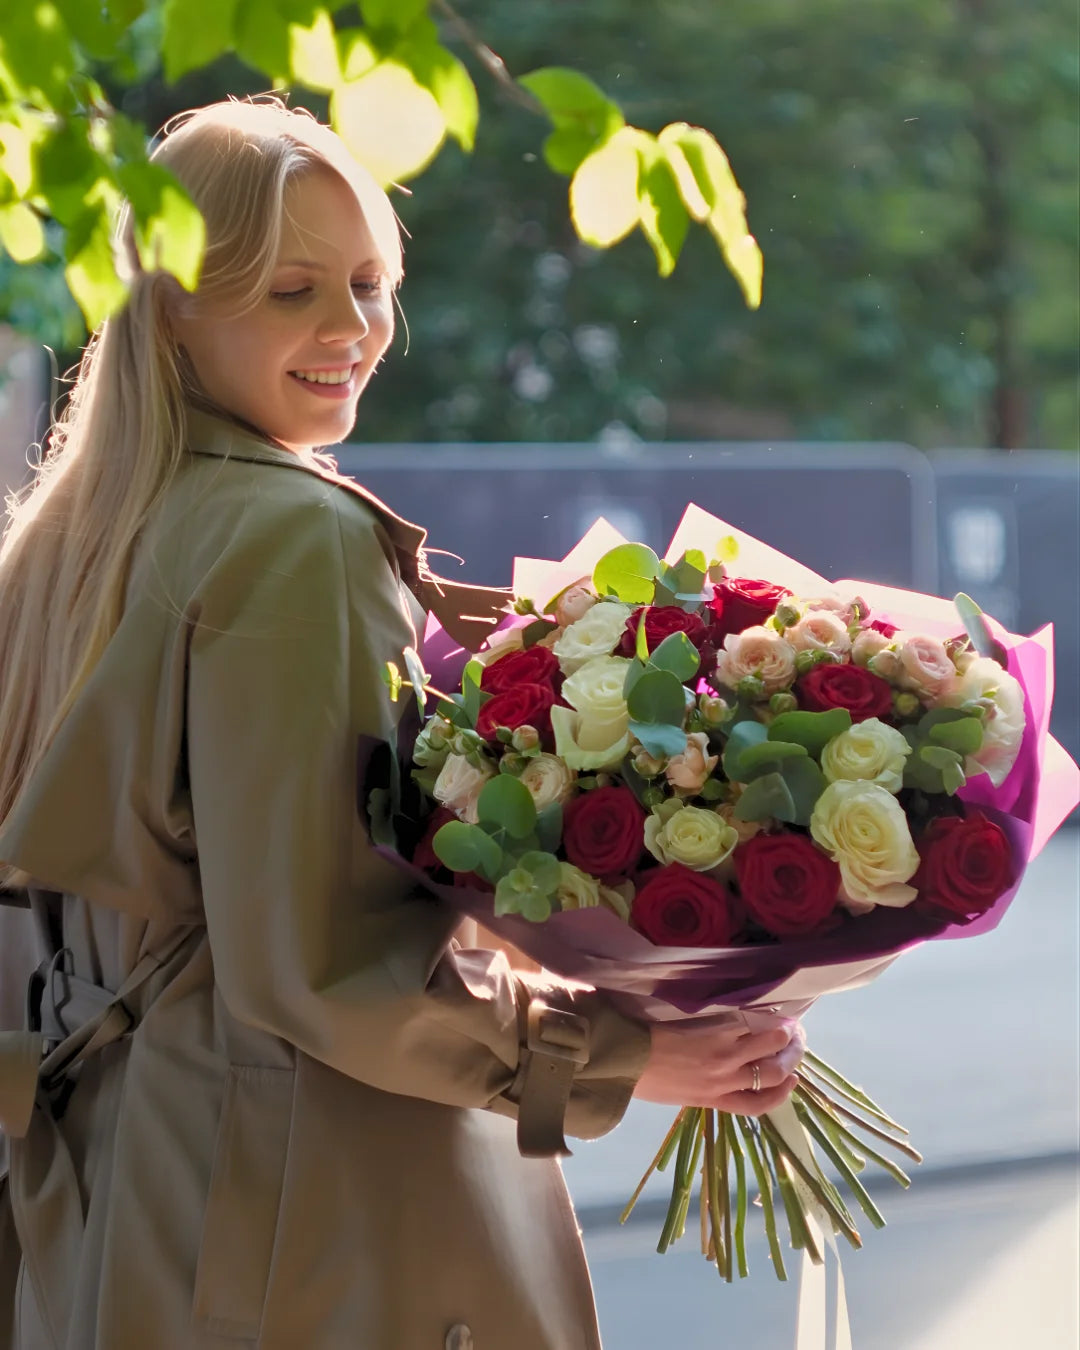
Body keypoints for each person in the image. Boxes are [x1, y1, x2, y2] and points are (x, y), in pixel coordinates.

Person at [0, 96, 801, 1349]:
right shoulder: (292, 537)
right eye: (291, 290)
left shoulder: (66, 539)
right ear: (171, 305)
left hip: (116, 1183)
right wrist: (621, 1054)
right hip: (303, 1207)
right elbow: (327, 966)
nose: (352, 328)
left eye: (370, 284)